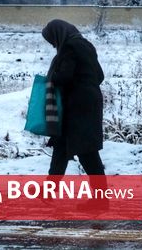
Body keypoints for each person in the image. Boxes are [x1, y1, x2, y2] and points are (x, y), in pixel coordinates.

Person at [41, 19, 106, 176]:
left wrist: (51, 79)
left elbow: (64, 77)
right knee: (61, 147)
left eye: (53, 41)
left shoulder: (69, 47)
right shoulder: (87, 46)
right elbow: (100, 76)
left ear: (58, 35)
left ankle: (101, 199)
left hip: (77, 107)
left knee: (86, 152)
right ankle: (48, 194)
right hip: (90, 103)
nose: (53, 45)